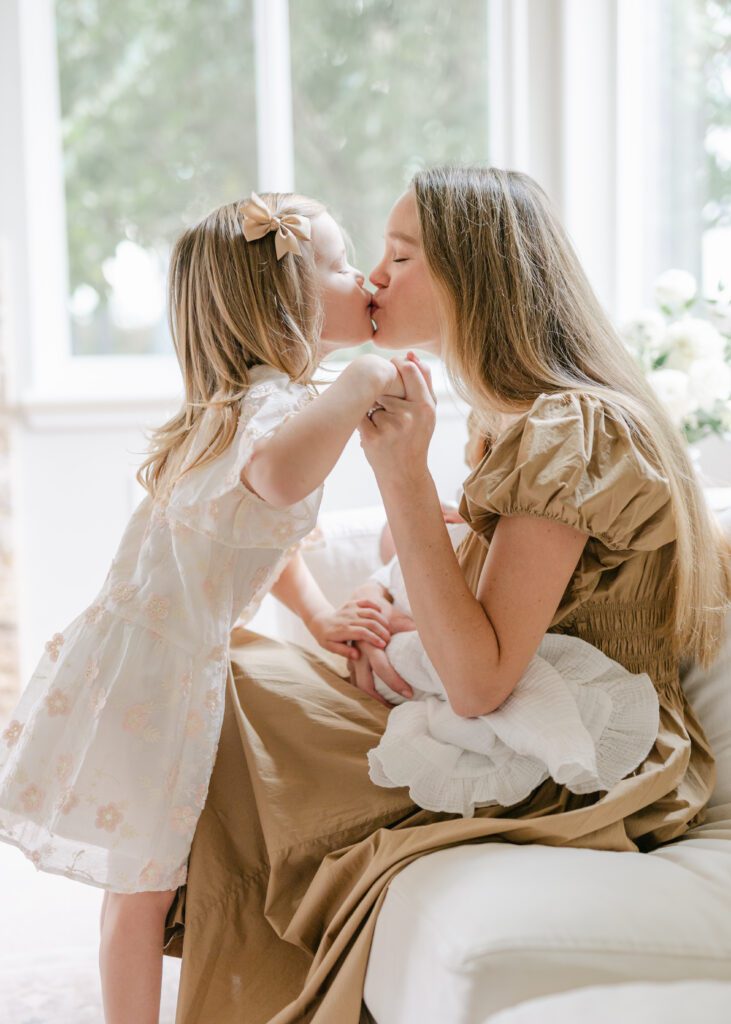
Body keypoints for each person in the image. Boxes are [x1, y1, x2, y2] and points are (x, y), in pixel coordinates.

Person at [165, 167, 730, 1024]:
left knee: (235, 695)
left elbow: (481, 681)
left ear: (474, 272)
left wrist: (399, 475)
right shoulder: (506, 420)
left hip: (580, 759)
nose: (377, 278)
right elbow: (489, 625)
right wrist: (398, 625)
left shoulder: (573, 425)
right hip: (511, 715)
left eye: (400, 255)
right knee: (223, 670)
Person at [0, 190, 407, 1024]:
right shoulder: (270, 411)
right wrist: (364, 375)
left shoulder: (243, 405)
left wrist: (324, 614)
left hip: (150, 659)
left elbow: (265, 534)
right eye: (336, 263)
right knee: (140, 888)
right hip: (155, 676)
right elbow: (281, 479)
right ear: (281, 301)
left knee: (145, 884)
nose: (362, 274)